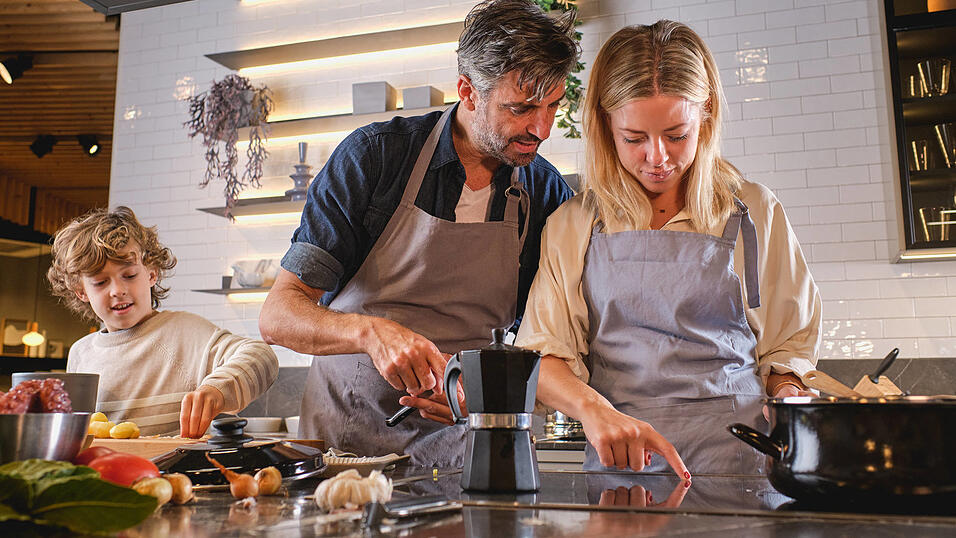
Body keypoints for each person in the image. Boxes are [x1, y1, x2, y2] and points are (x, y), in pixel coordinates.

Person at [258, 0, 578, 467]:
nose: (542, 128)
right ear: (467, 91)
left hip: (472, 446)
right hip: (350, 448)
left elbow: (546, 338)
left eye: (553, 106)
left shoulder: (545, 191)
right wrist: (370, 332)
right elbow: (278, 315)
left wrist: (493, 394)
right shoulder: (375, 159)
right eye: (522, 108)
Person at [515, 21, 822, 477]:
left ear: (708, 114)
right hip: (622, 468)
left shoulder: (755, 211)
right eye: (634, 139)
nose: (657, 157)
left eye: (677, 135)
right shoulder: (574, 223)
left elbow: (786, 347)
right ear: (605, 125)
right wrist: (599, 415)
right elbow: (546, 357)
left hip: (740, 464)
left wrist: (790, 390)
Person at [47, 206, 279, 437]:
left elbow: (262, 356)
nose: (118, 290)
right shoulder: (80, 353)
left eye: (129, 276)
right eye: (100, 282)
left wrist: (217, 390)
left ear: (151, 274)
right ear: (81, 292)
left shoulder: (185, 331)